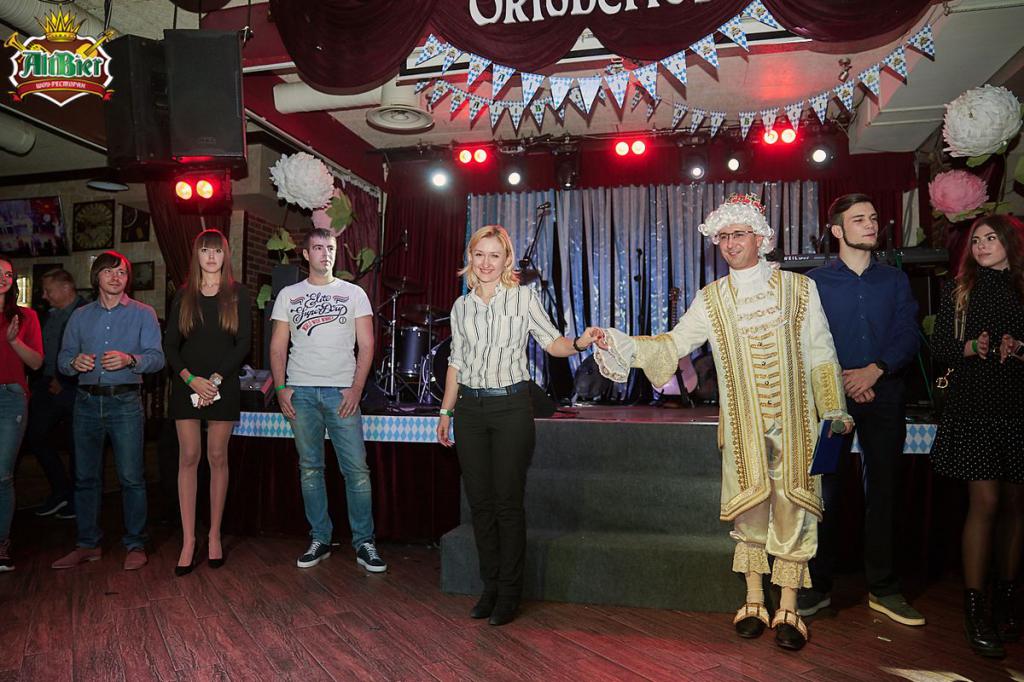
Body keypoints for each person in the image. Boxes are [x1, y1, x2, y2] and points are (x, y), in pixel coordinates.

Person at [593, 194, 852, 650]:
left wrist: (833, 409)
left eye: (738, 234)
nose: (730, 244)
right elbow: (673, 344)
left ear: (760, 238)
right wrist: (620, 345)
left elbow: (821, 351)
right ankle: (753, 598)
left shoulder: (799, 289)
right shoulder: (711, 299)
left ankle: (789, 605)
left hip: (796, 424)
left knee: (795, 511)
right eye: (723, 237)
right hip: (742, 428)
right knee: (749, 511)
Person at [435, 224, 602, 627]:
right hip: (470, 411)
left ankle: (510, 593)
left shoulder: (523, 297)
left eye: (495, 255)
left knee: (507, 503)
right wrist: (445, 412)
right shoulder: (462, 307)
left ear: (507, 259)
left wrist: (580, 342)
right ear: (470, 257)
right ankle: (490, 586)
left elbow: (552, 343)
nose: (486, 262)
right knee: (480, 504)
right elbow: (456, 362)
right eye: (480, 254)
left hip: (511, 407)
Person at [801, 194, 925, 626]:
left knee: (884, 493)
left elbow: (908, 333)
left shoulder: (895, 280)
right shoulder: (814, 283)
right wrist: (842, 381)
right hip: (831, 401)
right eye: (859, 219)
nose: (871, 224)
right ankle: (818, 587)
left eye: (873, 218)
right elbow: (807, 341)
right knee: (825, 494)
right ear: (837, 230)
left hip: (885, 396)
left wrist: (875, 371)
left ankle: (884, 589)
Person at [930, 214, 1024, 659]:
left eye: (991, 238)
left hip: (1017, 408)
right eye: (977, 239)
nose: (982, 245)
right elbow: (940, 348)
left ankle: (1006, 599)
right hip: (974, 407)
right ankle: (975, 608)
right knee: (984, 503)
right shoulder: (960, 290)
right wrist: (972, 347)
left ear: (1009, 243)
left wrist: (1018, 348)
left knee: (1015, 505)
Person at [270, 227, 386, 573]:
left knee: (357, 471)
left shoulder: (354, 293)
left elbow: (367, 344)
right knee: (310, 469)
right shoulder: (289, 295)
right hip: (300, 392)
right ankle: (320, 538)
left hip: (341, 392)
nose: (326, 254)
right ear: (306, 254)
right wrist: (280, 388)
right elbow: (277, 346)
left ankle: (364, 542)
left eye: (331, 248)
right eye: (319, 248)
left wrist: (356, 388)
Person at [51, 251, 165, 571]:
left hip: (124, 402)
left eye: (122, 272)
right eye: (109, 271)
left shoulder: (143, 313)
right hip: (85, 403)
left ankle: (135, 543)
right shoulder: (80, 316)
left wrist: (131, 359)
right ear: (97, 277)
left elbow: (157, 358)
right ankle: (88, 544)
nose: (116, 277)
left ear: (128, 279)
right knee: (85, 477)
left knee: (131, 477)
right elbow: (63, 359)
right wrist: (73, 363)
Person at [164, 230, 251, 576]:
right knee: (188, 456)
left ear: (225, 255)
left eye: (217, 251)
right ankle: (188, 540)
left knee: (217, 456)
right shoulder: (183, 295)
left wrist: (214, 381)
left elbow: (243, 343)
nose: (211, 257)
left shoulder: (238, 294)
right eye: (205, 251)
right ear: (196, 256)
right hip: (187, 384)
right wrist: (191, 379)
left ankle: (214, 535)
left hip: (222, 384)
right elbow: (171, 345)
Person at [28, 268, 86, 519]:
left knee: (77, 445)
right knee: (34, 436)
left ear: (66, 288)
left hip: (74, 388)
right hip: (45, 385)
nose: (44, 296)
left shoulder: (86, 312)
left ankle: (76, 499)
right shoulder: (47, 315)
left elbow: (91, 351)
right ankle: (61, 490)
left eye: (48, 290)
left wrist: (64, 381)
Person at [0, 257, 43, 571]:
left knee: (2, 475)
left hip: (10, 399)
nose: (3, 278)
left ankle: (1, 543)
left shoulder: (26, 316)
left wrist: (14, 341)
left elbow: (37, 363)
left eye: (7, 274)